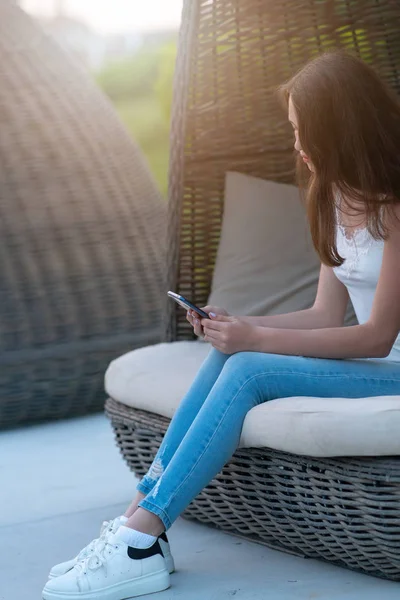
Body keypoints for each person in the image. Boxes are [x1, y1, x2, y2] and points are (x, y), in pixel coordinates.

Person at [43, 48, 400, 600]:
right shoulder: (331, 194)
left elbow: (377, 336)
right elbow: (324, 314)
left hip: (392, 366)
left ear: (340, 129)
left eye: (305, 132)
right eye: (294, 131)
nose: (299, 146)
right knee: (230, 353)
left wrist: (255, 340)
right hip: (372, 361)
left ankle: (141, 538)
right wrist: (237, 325)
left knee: (250, 367)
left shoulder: (394, 207)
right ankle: (140, 521)